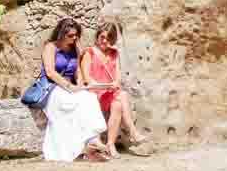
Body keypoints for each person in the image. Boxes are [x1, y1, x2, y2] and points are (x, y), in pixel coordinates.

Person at [38, 18, 109, 162]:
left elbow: (77, 73)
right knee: (70, 103)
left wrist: (83, 85)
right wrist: (70, 87)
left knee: (89, 98)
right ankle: (82, 147)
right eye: (70, 35)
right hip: (53, 87)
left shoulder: (74, 50)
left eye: (76, 35)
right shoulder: (50, 47)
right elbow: (50, 72)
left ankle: (93, 140)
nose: (74, 38)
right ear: (61, 34)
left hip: (70, 87)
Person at [80, 20, 150, 157]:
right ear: (97, 36)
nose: (105, 41)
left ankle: (110, 144)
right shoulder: (89, 53)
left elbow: (118, 77)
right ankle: (133, 131)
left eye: (109, 38)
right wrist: (107, 86)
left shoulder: (114, 54)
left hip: (109, 93)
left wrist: (114, 84)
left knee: (119, 102)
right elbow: (88, 80)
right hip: (93, 94)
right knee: (121, 95)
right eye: (102, 37)